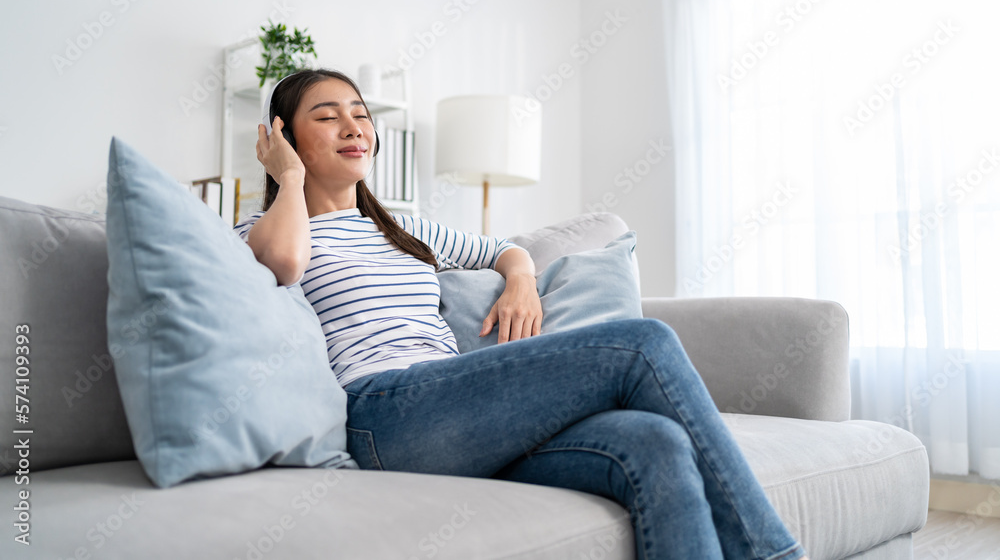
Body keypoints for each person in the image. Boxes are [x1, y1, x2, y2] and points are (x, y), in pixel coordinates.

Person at [233, 68, 809, 560]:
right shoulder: (260, 232)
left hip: (453, 415)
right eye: (328, 116)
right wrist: (287, 177)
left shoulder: (402, 229)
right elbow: (283, 262)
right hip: (381, 413)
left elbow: (507, 251)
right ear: (283, 136)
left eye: (361, 113)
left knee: (654, 441)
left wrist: (522, 283)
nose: (355, 126)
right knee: (642, 345)